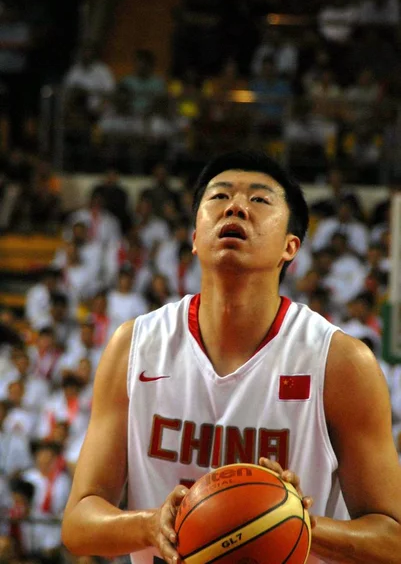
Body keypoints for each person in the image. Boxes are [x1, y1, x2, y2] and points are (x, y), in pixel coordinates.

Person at [62, 150, 401, 564]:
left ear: (290, 246)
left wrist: (291, 521)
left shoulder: (340, 362)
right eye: (219, 197)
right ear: (194, 237)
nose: (236, 206)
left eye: (259, 200)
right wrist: (150, 524)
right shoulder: (134, 346)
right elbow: (79, 522)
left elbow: (392, 539)